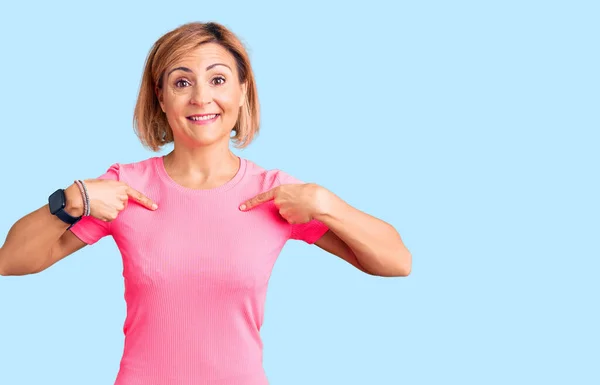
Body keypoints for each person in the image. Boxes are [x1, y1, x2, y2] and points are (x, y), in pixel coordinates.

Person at [0, 21, 411, 385]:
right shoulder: (126, 187)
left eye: (217, 80)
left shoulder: (275, 194)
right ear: (160, 97)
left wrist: (328, 204)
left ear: (242, 89)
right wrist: (72, 200)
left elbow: (396, 263)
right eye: (182, 82)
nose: (201, 98)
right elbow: (12, 261)